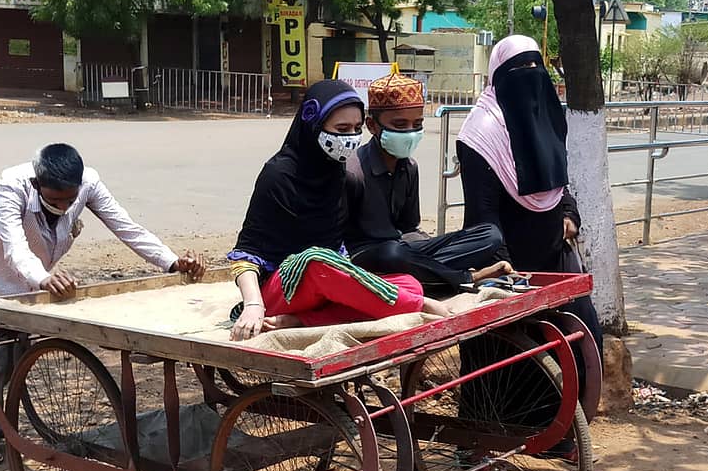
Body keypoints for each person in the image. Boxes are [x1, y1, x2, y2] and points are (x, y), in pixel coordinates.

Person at [0, 143, 206, 466]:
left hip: (28, 279)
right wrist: (44, 278)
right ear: (35, 185)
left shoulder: (89, 183)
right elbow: (14, 247)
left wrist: (171, 262)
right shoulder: (11, 187)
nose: (63, 206)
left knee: (14, 356)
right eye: (54, 200)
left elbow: (126, 227)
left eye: (70, 200)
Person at [229, 80, 453, 341]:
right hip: (280, 289)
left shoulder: (337, 172)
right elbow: (246, 254)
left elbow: (338, 251)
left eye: (356, 129)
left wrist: (352, 277)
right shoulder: (279, 175)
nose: (350, 138)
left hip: (326, 286)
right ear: (314, 125)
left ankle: (302, 321)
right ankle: (421, 305)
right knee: (316, 260)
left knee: (409, 284)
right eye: (341, 129)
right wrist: (253, 306)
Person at [456, 35, 602, 358]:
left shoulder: (545, 119)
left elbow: (558, 183)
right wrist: (507, 275)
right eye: (520, 67)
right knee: (514, 358)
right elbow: (483, 217)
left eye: (536, 66)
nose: (531, 73)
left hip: (552, 252)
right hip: (504, 261)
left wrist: (569, 214)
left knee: (586, 334)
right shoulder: (480, 135)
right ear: (498, 76)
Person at [345, 73, 511, 296]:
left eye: (417, 124)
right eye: (400, 124)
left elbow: (409, 228)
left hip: (404, 250)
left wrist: (428, 248)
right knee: (392, 254)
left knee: (490, 235)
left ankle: (424, 273)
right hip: (368, 257)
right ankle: (464, 277)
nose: (410, 132)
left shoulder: (409, 167)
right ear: (372, 125)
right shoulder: (353, 172)